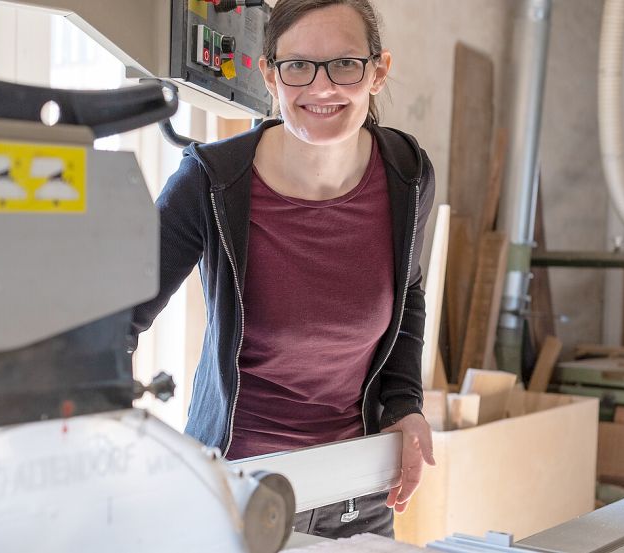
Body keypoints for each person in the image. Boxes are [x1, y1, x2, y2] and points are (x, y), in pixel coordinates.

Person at [129, 0, 435, 539]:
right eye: (297, 67)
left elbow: (407, 293)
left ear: (378, 70)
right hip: (240, 491)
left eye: (345, 64)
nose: (321, 88)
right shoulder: (210, 182)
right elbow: (115, 314)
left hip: (357, 491)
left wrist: (405, 405)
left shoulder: (405, 174)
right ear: (269, 74)